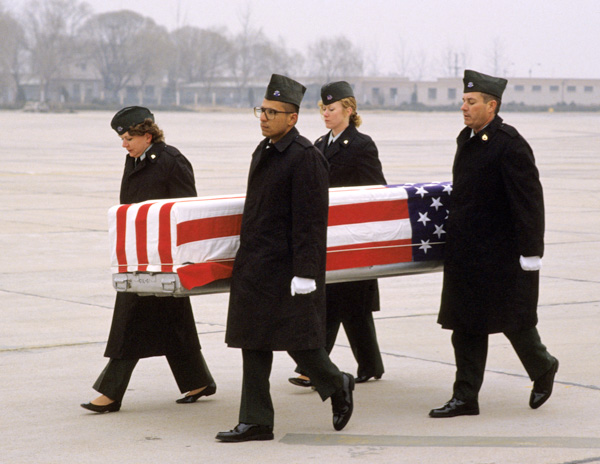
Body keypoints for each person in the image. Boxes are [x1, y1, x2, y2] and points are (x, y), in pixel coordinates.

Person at [215, 74, 354, 442]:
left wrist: (306, 272)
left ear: (292, 118)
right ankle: (256, 421)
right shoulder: (263, 151)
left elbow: (311, 222)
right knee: (253, 343)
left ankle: (337, 383)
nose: (263, 117)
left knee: (299, 343)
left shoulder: (305, 158)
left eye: (272, 112)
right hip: (256, 266)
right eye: (261, 109)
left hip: (288, 269)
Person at [429, 70, 559, 418]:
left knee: (514, 321)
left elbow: (529, 202)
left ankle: (543, 366)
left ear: (492, 105)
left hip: (499, 255)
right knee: (465, 326)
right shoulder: (467, 140)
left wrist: (532, 252)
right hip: (466, 254)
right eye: (463, 101)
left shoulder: (509, 144)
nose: (464, 107)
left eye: (471, 102)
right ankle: (465, 397)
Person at [81, 106, 216, 413]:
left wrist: (180, 257)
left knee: (129, 318)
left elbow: (186, 211)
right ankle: (198, 380)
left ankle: (110, 392)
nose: (124, 144)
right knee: (174, 321)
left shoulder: (171, 161)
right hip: (139, 255)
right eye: (122, 139)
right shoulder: (135, 160)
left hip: (162, 259)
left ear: (147, 135)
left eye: (129, 138)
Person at [288, 81, 386, 389]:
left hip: (352, 235)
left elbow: (375, 191)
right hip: (329, 234)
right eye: (323, 109)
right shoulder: (320, 143)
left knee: (338, 301)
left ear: (349, 110)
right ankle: (370, 364)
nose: (325, 114)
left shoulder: (362, 144)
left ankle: (312, 367)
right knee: (350, 305)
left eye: (331, 109)